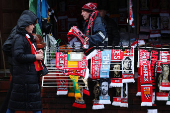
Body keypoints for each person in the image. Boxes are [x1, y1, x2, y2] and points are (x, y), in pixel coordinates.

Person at [5, 10, 45, 113]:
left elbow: (27, 50)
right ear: (26, 26)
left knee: (25, 103)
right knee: (17, 104)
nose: (33, 27)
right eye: (31, 24)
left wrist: (37, 52)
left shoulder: (28, 37)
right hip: (24, 76)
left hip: (28, 75)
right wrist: (35, 57)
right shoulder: (19, 38)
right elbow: (19, 55)